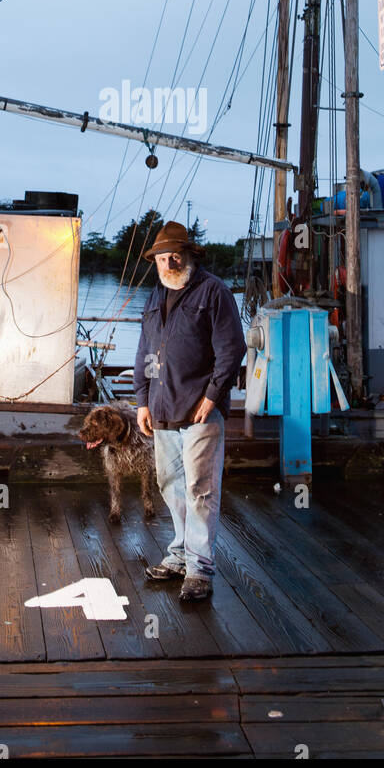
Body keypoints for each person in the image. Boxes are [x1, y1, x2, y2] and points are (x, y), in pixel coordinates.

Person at [133, 220, 246, 601]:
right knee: (170, 484)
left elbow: (233, 349)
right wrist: (142, 400)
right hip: (163, 409)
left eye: (173, 256)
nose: (167, 263)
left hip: (200, 410)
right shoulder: (153, 298)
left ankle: (199, 570)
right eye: (161, 258)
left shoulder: (213, 292)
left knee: (200, 489)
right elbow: (145, 352)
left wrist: (212, 397)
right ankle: (180, 555)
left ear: (188, 256)